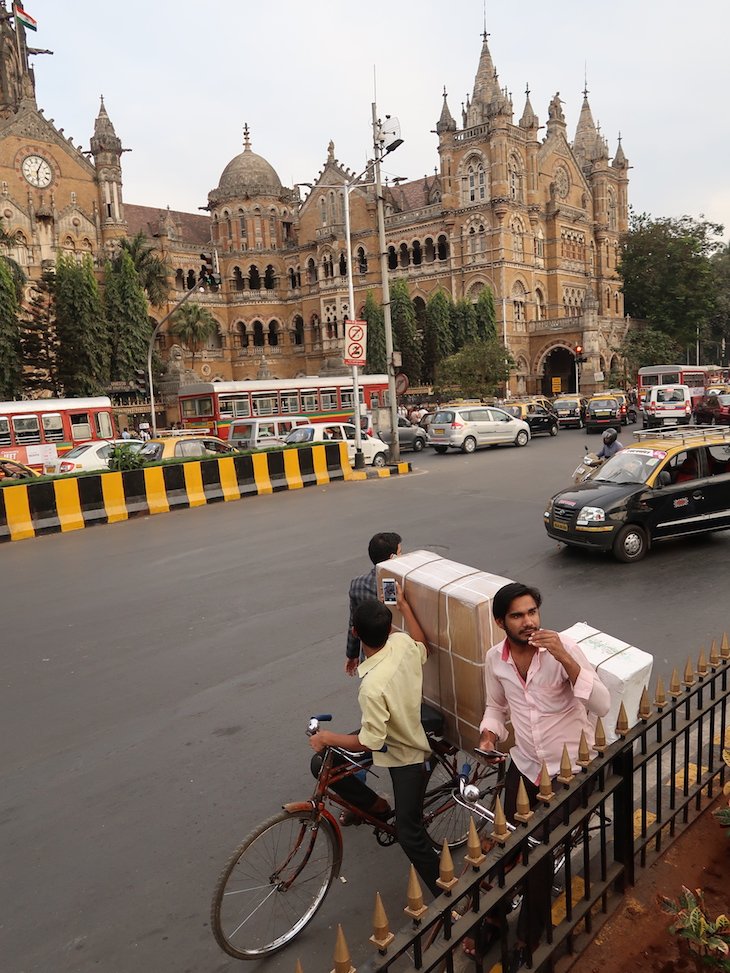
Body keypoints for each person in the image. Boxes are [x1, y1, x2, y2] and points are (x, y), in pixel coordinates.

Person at [477, 582, 611, 970]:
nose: (528, 621)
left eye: (532, 611)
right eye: (517, 615)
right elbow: (495, 707)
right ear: (501, 621)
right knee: (502, 848)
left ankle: (529, 936)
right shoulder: (495, 659)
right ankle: (493, 920)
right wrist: (489, 736)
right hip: (525, 765)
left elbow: (601, 705)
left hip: (568, 772)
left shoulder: (564, 649)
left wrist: (566, 660)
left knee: (537, 855)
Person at [310, 591, 441, 897]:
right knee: (322, 764)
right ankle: (376, 808)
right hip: (395, 724)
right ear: (389, 627)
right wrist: (406, 608)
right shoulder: (401, 643)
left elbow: (369, 742)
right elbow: (421, 642)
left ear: (355, 633)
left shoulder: (372, 686)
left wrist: (327, 737)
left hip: (404, 747)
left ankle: (452, 896)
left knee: (410, 835)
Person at [345, 532, 402, 675]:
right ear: (392, 557)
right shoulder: (397, 586)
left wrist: (352, 654)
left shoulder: (357, 584)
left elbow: (355, 622)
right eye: (400, 553)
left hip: (370, 659)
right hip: (396, 657)